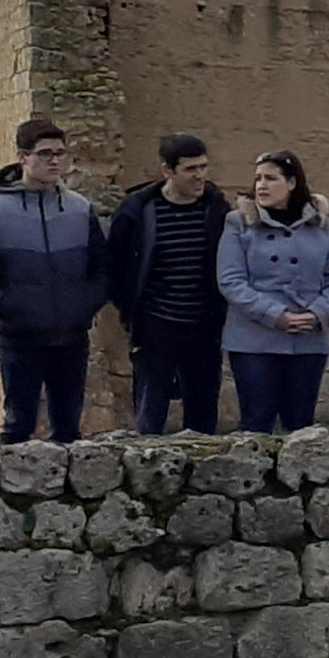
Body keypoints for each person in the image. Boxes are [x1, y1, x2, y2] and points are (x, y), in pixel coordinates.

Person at [0, 116, 112, 446]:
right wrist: (4, 306)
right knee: (18, 425)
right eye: (45, 153)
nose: (55, 160)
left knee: (69, 430)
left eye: (61, 153)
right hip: (19, 336)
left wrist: (84, 305)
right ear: (23, 157)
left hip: (71, 334)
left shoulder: (79, 209)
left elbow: (103, 269)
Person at [216, 148, 329, 434]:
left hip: (308, 337)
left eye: (271, 178)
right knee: (256, 422)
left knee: (300, 424)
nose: (261, 186)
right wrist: (276, 315)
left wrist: (317, 314)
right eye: (258, 179)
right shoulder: (238, 223)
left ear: (291, 183)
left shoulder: (323, 222)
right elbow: (231, 280)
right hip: (254, 339)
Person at [107, 132, 232, 435]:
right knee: (151, 412)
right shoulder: (138, 211)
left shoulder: (216, 209)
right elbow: (114, 265)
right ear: (167, 171)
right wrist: (130, 311)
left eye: (203, 167)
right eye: (190, 169)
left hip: (204, 325)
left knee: (203, 413)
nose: (199, 176)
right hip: (155, 324)